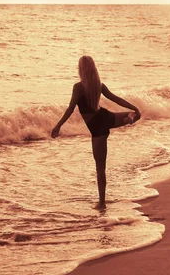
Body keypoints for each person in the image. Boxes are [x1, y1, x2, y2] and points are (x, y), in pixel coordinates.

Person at [51, 56, 141, 210]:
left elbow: (71, 108)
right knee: (135, 114)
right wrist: (135, 107)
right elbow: (115, 98)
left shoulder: (78, 87)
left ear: (81, 69)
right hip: (105, 118)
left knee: (100, 167)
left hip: (97, 126)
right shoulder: (98, 85)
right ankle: (129, 118)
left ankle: (102, 202)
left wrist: (58, 126)